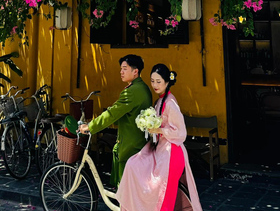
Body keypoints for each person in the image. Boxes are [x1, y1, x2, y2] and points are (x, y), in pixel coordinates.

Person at [116, 64, 202, 210]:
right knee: (133, 165)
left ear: (167, 82)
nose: (155, 85)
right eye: (152, 81)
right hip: (161, 150)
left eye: (158, 81)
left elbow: (181, 133)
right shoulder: (160, 101)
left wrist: (159, 129)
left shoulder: (170, 103)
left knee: (161, 195)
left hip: (171, 153)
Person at [78, 54, 152, 187]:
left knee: (126, 189)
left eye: (124, 68)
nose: (121, 72)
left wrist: (90, 126)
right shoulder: (143, 88)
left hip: (130, 146)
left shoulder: (132, 91)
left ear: (135, 71)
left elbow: (112, 114)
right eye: (121, 69)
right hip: (138, 143)